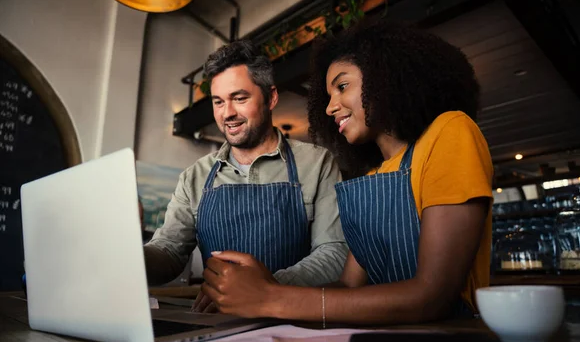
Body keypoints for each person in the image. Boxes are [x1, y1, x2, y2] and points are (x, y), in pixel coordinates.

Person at [198, 19, 493, 324]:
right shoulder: (371, 176)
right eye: (327, 96)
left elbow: (432, 296)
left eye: (342, 86)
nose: (330, 107)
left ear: (385, 77)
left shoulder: (450, 132)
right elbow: (348, 287)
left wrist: (271, 297)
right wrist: (269, 285)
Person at [143, 40, 348, 312]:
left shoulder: (317, 163)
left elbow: (335, 253)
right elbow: (169, 251)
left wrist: (265, 289)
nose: (227, 113)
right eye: (219, 102)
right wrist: (130, 254)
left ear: (271, 97)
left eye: (239, 98)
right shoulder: (194, 176)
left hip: (292, 322)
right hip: (216, 324)